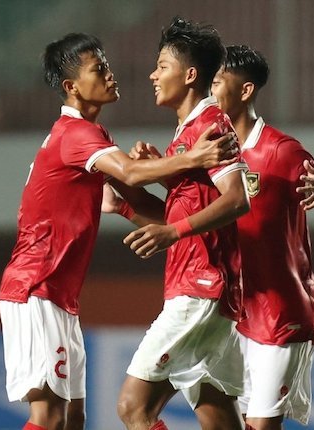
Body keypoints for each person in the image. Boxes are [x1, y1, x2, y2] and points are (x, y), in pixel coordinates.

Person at [0, 32, 237, 430]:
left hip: (59, 294)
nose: (111, 74)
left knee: (73, 420)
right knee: (50, 418)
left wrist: (142, 211)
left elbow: (148, 206)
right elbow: (130, 171)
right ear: (72, 87)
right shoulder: (74, 134)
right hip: (35, 284)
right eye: (98, 69)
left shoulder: (96, 138)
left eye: (106, 65)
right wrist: (191, 158)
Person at [113, 17, 250, 430]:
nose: (153, 75)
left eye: (162, 66)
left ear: (190, 75)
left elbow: (238, 198)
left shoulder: (210, 125)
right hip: (209, 290)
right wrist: (131, 197)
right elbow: (177, 211)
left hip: (200, 288)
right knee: (221, 421)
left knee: (133, 409)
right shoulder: (187, 133)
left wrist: (172, 231)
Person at [210, 45, 314, 430]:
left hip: (281, 312)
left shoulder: (281, 151)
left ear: (246, 90)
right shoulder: (210, 152)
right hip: (235, 314)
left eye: (218, 81)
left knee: (261, 425)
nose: (211, 90)